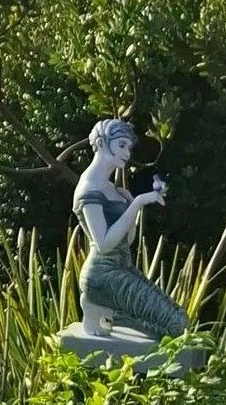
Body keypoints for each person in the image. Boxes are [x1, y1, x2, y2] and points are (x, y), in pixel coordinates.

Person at [72, 117, 189, 342]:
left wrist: (130, 204)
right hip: (102, 275)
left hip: (122, 269)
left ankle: (104, 309)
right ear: (103, 143)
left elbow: (128, 240)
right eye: (121, 145)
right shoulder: (89, 190)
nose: (127, 153)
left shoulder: (110, 188)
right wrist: (137, 204)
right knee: (174, 327)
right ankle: (98, 306)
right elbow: (105, 244)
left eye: (129, 147)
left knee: (180, 321)